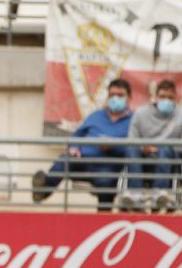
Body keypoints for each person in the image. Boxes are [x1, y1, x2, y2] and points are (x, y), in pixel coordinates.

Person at [32, 78, 134, 212]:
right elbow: (77, 135)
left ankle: (104, 220)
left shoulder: (134, 120)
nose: (115, 99)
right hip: (83, 159)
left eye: (120, 95)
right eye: (112, 95)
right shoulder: (95, 116)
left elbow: (135, 148)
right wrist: (74, 148)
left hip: (109, 165)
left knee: (106, 182)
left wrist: (113, 146)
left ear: (129, 97)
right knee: (65, 159)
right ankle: (43, 190)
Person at [119, 79, 182, 212]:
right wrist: (143, 148)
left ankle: (160, 192)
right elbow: (132, 139)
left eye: (170, 98)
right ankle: (135, 193)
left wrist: (162, 147)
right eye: (162, 97)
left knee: (165, 148)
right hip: (144, 156)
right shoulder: (141, 113)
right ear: (155, 97)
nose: (166, 100)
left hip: (172, 158)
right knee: (131, 148)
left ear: (175, 99)